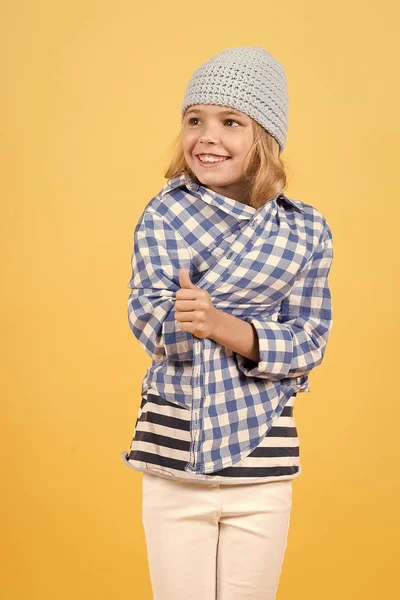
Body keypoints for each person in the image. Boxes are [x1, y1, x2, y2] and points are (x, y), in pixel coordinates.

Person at [121, 46, 334, 600]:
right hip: (175, 459)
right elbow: (150, 322)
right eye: (195, 120)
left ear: (263, 138)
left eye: (230, 122)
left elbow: (309, 340)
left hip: (263, 464)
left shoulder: (306, 230)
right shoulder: (163, 213)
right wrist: (217, 325)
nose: (207, 137)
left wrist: (217, 323)